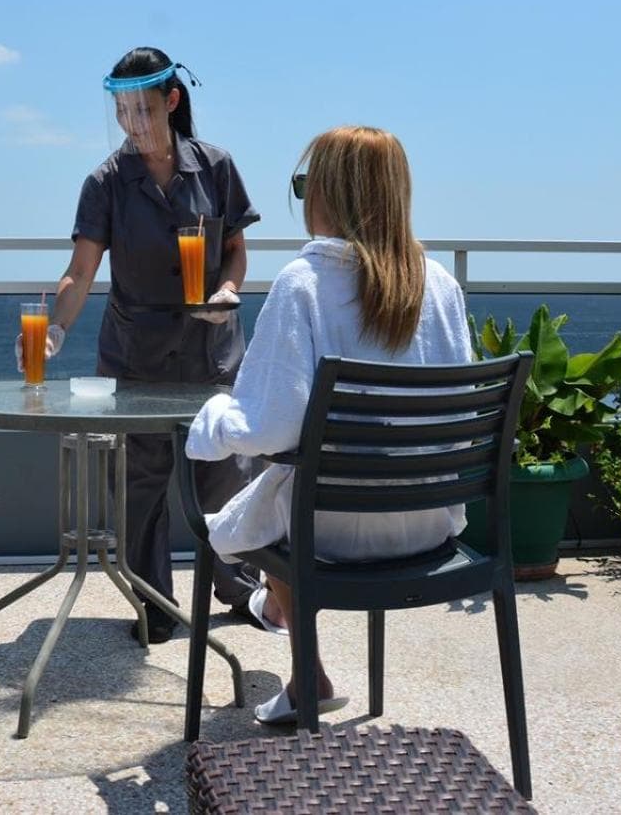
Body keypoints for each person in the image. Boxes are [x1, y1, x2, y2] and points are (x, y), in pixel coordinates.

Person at [184, 125, 474, 725]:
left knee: (268, 498)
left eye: (303, 184)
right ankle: (297, 657)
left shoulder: (305, 284)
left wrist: (213, 419)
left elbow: (269, 427)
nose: (301, 198)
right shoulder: (441, 287)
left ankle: (295, 644)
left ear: (330, 192)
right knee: (286, 492)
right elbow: (462, 417)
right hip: (429, 525)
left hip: (332, 536)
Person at [30, 46, 266, 643]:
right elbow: (80, 271)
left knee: (226, 474)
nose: (132, 123)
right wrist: (57, 326)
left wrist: (228, 290)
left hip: (211, 349)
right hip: (136, 356)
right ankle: (154, 601)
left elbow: (235, 249)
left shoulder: (216, 167)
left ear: (172, 101)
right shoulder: (105, 182)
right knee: (140, 484)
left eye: (143, 109)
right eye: (122, 111)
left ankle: (239, 588)